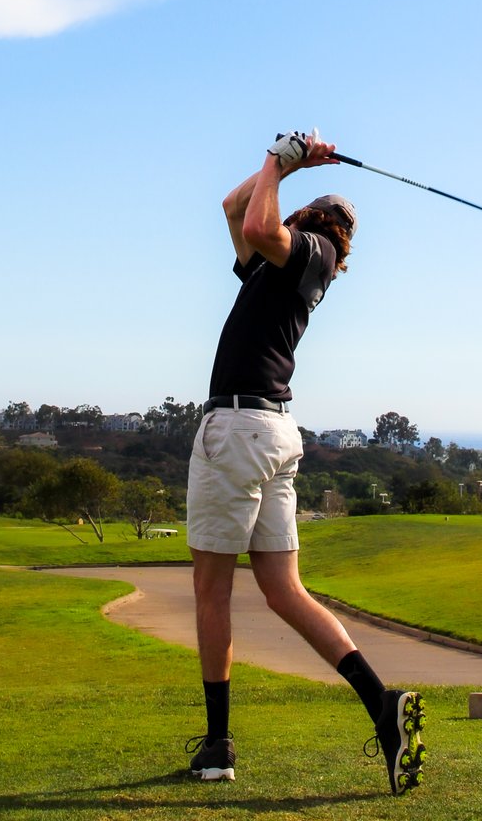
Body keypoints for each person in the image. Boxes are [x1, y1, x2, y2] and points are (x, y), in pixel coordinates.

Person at [184, 130, 426, 796]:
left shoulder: (308, 253)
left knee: (211, 590)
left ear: (318, 226)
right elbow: (236, 210)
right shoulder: (276, 266)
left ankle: (217, 745)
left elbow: (258, 220)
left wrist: (278, 158)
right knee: (283, 591)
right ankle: (383, 708)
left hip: (239, 428)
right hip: (271, 433)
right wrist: (285, 162)